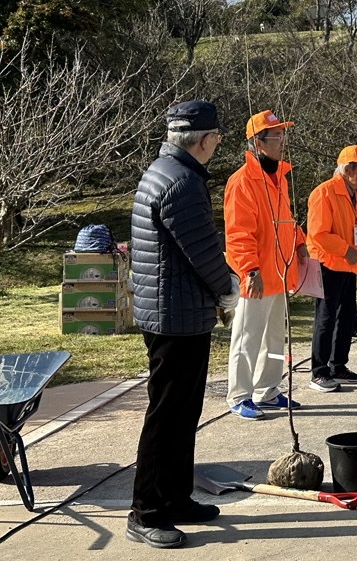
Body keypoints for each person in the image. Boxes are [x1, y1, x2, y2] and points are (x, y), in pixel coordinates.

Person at [128, 101, 238, 549]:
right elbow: (204, 250)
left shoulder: (161, 170)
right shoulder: (183, 183)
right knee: (167, 415)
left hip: (171, 311)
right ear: (206, 140)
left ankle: (176, 497)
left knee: (183, 411)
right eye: (217, 139)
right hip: (174, 316)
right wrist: (227, 287)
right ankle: (146, 511)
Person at [223, 110, 307, 420]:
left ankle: (268, 389)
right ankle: (239, 395)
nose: (283, 140)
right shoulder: (242, 182)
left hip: (279, 274)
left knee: (274, 340)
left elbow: (284, 221)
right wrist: (250, 270)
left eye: (283, 134)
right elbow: (238, 233)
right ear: (258, 143)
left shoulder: (279, 178)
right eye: (277, 136)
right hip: (257, 276)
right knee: (247, 337)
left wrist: (299, 242)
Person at [306, 144, 357, 391]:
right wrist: (346, 250)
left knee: (346, 316)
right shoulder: (323, 193)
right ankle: (318, 371)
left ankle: (338, 366)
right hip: (328, 264)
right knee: (325, 318)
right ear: (348, 169)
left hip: (349, 265)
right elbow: (318, 234)